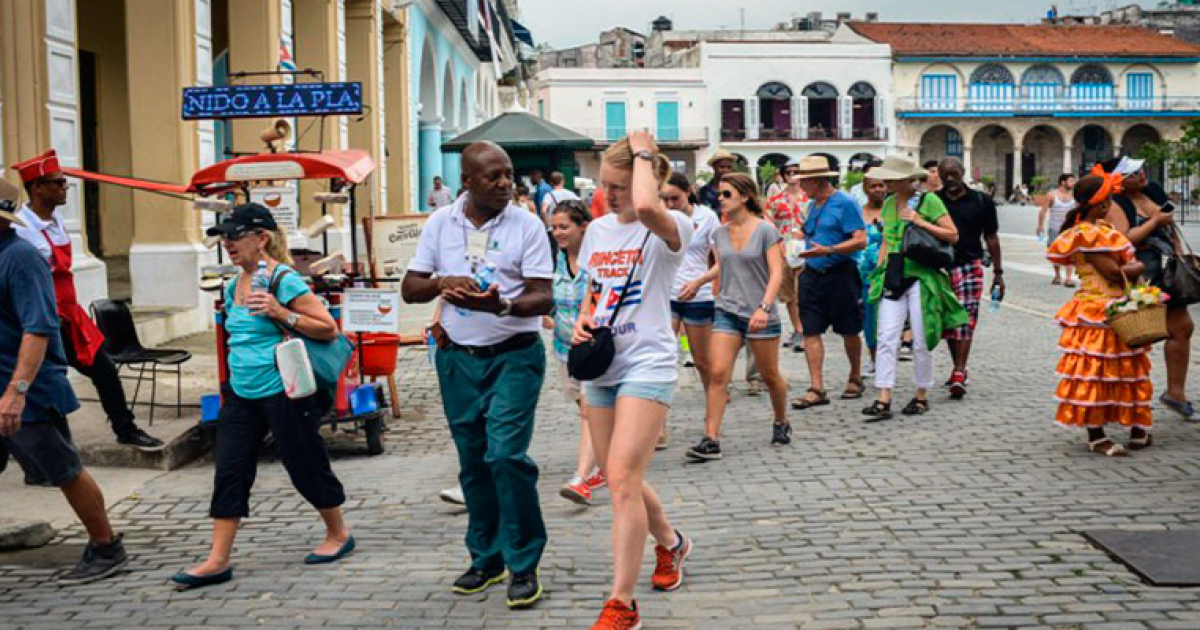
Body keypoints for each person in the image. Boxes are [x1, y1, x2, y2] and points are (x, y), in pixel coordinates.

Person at [402, 141, 553, 610]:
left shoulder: (527, 225)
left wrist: (502, 304)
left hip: (514, 355)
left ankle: (523, 561)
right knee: (473, 461)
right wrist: (444, 282)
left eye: (508, 174)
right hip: (458, 359)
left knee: (506, 455)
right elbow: (410, 289)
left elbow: (543, 296)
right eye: (493, 176)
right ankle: (486, 558)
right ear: (466, 181)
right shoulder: (440, 223)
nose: (506, 183)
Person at [173, 204, 352, 590]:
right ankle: (218, 559)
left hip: (284, 389)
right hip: (241, 392)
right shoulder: (231, 283)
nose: (228, 244)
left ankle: (338, 532)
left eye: (235, 236)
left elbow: (327, 329)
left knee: (303, 461)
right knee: (230, 469)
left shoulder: (283, 281)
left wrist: (280, 312)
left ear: (262, 238)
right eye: (225, 237)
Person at [573, 132, 693, 630]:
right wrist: (582, 320)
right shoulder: (598, 231)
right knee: (622, 475)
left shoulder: (669, 225)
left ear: (645, 178)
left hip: (649, 362)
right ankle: (672, 543)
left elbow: (645, 207)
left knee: (621, 477)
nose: (611, 195)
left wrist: (644, 154)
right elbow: (593, 292)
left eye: (618, 185)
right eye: (605, 185)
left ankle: (622, 603)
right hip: (603, 363)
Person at [0, 179, 129, 584]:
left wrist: (16, 392)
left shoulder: (21, 259)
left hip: (28, 392)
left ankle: (106, 546)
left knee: (64, 470)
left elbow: (38, 329)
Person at [11, 150, 162, 450]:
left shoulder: (57, 222)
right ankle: (30, 446)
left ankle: (125, 428)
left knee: (103, 369)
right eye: (57, 183)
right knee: (37, 381)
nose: (65, 188)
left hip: (70, 315)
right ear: (37, 187)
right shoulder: (21, 230)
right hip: (41, 317)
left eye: (64, 182)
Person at [684, 172, 789, 460]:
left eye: (727, 194)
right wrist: (699, 281)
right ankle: (710, 438)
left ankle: (781, 420)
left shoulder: (765, 230)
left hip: (760, 311)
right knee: (718, 373)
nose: (720, 199)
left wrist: (764, 307)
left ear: (745, 197)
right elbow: (723, 265)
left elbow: (776, 271)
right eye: (719, 194)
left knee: (769, 375)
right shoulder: (719, 233)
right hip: (727, 309)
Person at [1048, 173, 1152, 455]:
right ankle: (1097, 434)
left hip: (1118, 308)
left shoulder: (1101, 229)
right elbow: (1112, 272)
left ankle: (1138, 425)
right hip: (1097, 311)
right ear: (1103, 205)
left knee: (1127, 369)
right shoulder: (1086, 234)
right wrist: (1139, 269)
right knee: (1095, 373)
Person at [862, 156, 968, 422]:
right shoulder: (888, 203)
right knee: (886, 337)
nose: (884, 182)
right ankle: (883, 396)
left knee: (921, 339)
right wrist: (879, 269)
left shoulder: (928, 200)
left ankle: (921, 393)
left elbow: (952, 235)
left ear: (904, 180)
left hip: (922, 275)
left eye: (889, 178)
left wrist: (919, 221)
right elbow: (887, 239)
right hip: (894, 275)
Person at [1102, 158, 1194, 420]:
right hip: (1139, 274)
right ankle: (1126, 396)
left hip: (1167, 271)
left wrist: (1179, 254)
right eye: (1133, 173)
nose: (1141, 175)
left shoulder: (1153, 190)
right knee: (1136, 334)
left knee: (1182, 327)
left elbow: (1170, 225)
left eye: (1140, 170)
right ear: (1118, 181)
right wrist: (1154, 222)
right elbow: (1122, 240)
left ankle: (1176, 393)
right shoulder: (1115, 203)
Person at [790, 155, 868, 410]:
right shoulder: (813, 205)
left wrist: (830, 249)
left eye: (803, 182)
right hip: (812, 274)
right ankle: (816, 387)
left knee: (849, 329)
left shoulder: (845, 203)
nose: (800, 186)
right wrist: (796, 238)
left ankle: (855, 376)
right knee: (810, 330)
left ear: (816, 181)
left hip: (840, 272)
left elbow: (860, 239)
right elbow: (808, 231)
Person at [546, 200, 605, 505]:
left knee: (589, 410)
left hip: (594, 348)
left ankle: (582, 477)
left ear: (584, 226)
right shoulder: (554, 259)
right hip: (563, 348)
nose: (558, 233)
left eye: (564, 227)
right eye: (554, 227)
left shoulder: (598, 260)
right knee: (587, 408)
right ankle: (604, 462)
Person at [937, 157, 1004, 400]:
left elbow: (992, 237)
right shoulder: (934, 200)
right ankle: (960, 368)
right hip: (941, 268)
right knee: (949, 322)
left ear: (963, 172)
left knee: (965, 319)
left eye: (954, 173)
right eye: (945, 175)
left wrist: (998, 273)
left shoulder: (981, 201)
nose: (950, 179)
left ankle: (958, 371)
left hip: (970, 264)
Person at [664, 173, 720, 419]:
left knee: (703, 362)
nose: (669, 205)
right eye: (664, 199)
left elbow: (722, 261)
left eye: (674, 198)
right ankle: (657, 425)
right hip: (666, 294)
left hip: (698, 294)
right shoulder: (660, 217)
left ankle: (713, 414)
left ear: (688, 191)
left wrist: (699, 281)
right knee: (662, 359)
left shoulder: (707, 217)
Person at [767, 160, 810, 351]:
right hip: (784, 249)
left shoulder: (809, 199)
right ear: (783, 176)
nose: (793, 175)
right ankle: (797, 329)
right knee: (788, 293)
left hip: (805, 248)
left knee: (802, 291)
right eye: (789, 172)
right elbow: (767, 219)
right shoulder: (776, 199)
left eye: (796, 172)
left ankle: (805, 329)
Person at [858, 174, 887, 373]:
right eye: (873, 186)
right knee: (869, 320)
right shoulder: (858, 214)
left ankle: (887, 357)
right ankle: (874, 358)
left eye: (881, 185)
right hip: (862, 273)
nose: (877, 189)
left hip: (887, 272)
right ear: (865, 189)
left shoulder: (894, 212)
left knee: (887, 320)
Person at [1038, 174, 1078, 287]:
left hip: (1069, 229)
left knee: (1070, 252)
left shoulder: (1074, 196)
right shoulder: (1052, 195)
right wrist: (1040, 225)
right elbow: (1043, 210)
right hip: (1054, 228)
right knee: (1055, 252)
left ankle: (1069, 278)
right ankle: (1057, 275)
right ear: (1062, 182)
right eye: (1071, 181)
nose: (1073, 183)